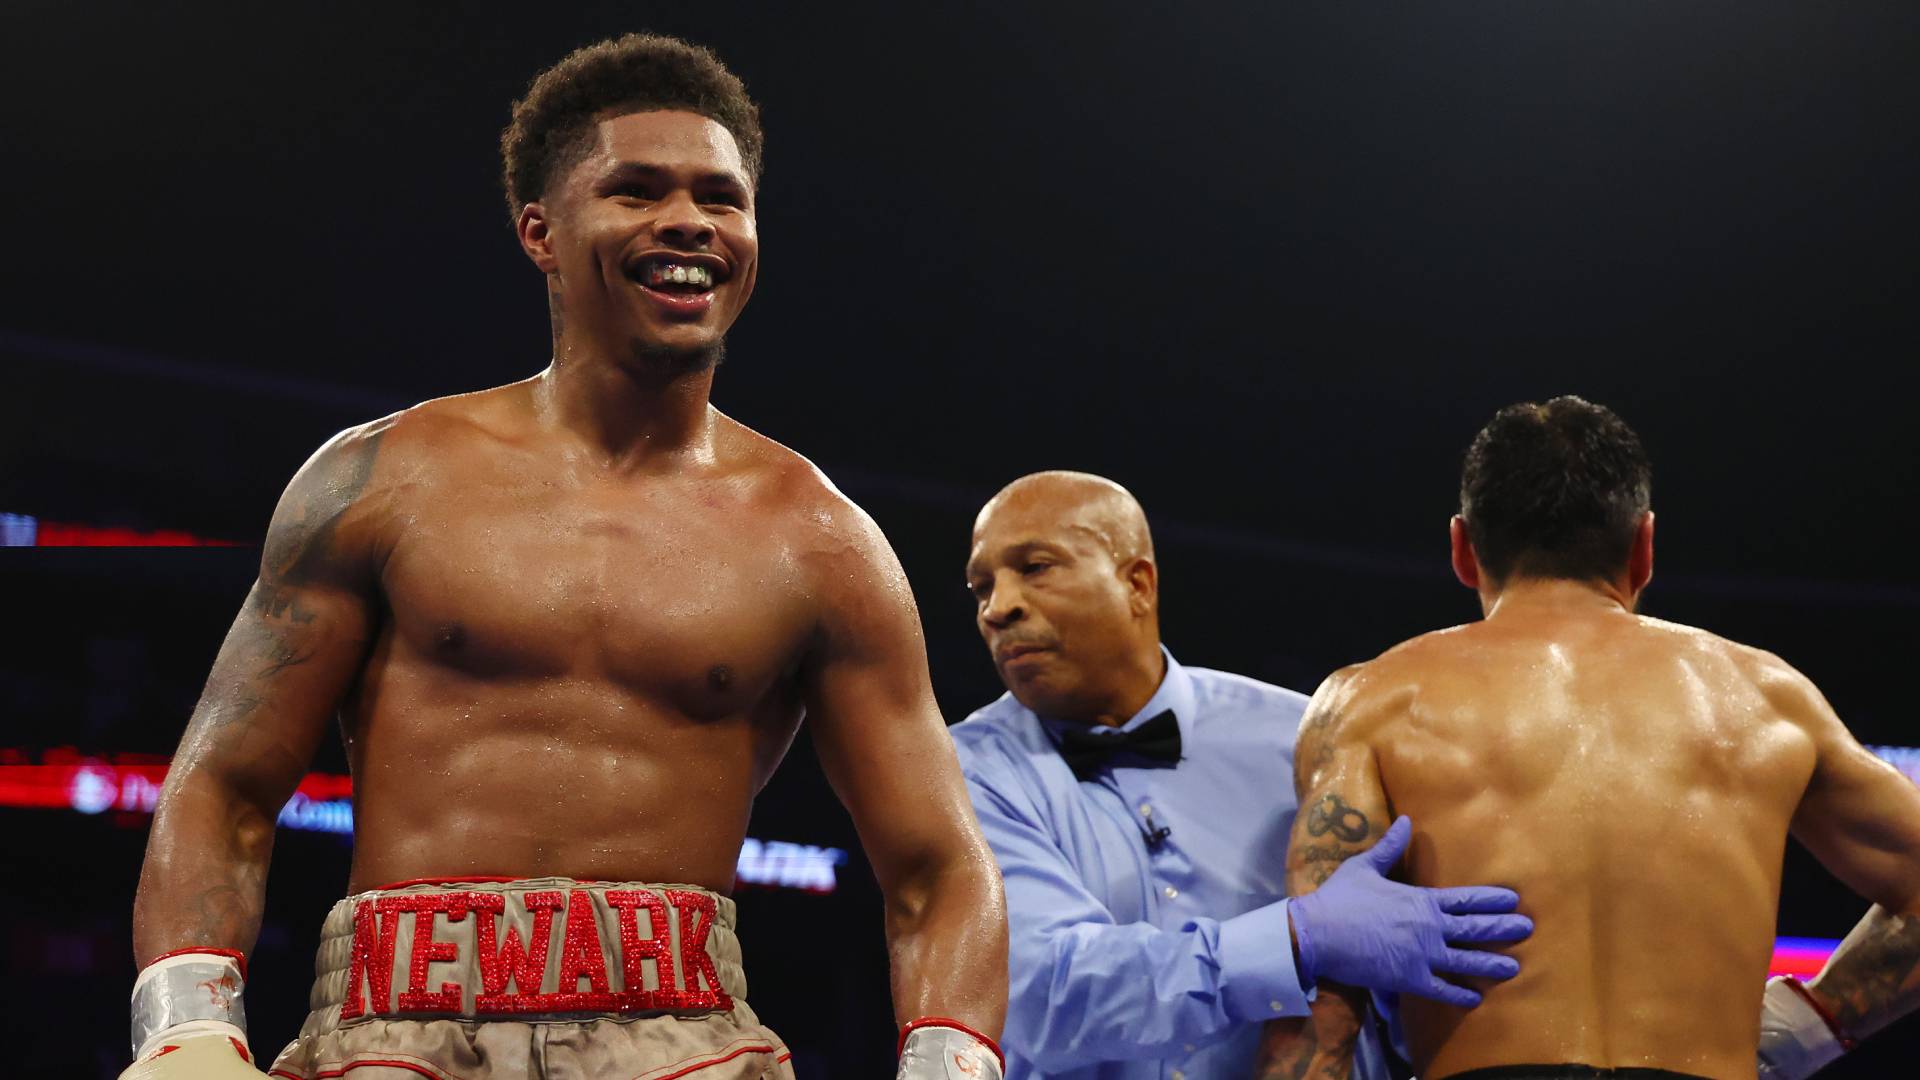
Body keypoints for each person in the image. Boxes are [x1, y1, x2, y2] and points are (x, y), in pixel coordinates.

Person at [120, 33, 1007, 1080]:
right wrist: (186, 1023)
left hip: (685, 1044)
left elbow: (939, 866)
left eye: (721, 198)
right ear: (540, 232)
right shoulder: (383, 477)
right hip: (394, 1030)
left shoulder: (819, 540)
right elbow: (223, 783)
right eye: (637, 190)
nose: (688, 220)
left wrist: (951, 1068)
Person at [1257, 396, 1920, 1080]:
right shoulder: (1766, 697)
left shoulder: (1374, 701)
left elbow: (1321, 986)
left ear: (1462, 548)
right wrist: (1813, 1023)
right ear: (1644, 547)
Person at [949, 470, 1535, 1079]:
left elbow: (1410, 997)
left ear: (1137, 583)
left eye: (1035, 567)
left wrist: (1398, 976)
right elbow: (1044, 997)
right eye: (980, 587)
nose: (998, 608)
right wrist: (1297, 937)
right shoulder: (965, 770)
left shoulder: (1307, 736)